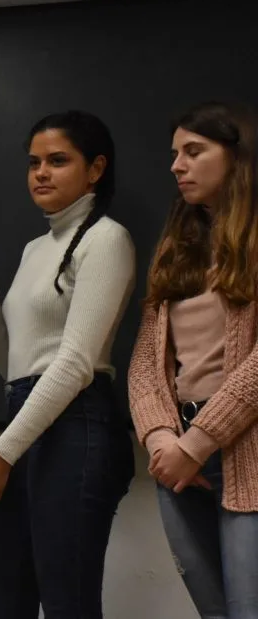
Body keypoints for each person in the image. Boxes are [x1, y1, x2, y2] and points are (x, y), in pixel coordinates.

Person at [0, 111, 137, 618]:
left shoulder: (107, 239)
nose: (41, 172)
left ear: (95, 168)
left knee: (68, 603)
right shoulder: (36, 247)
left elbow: (76, 363)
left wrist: (3, 453)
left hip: (76, 424)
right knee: (0, 600)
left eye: (58, 161)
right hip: (29, 419)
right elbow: (11, 359)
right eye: (34, 162)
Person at [128, 101, 258, 618]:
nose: (176, 165)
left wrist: (200, 441)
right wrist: (163, 440)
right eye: (174, 154)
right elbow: (145, 363)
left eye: (194, 152)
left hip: (241, 454)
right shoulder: (178, 244)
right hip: (179, 461)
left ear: (237, 156)